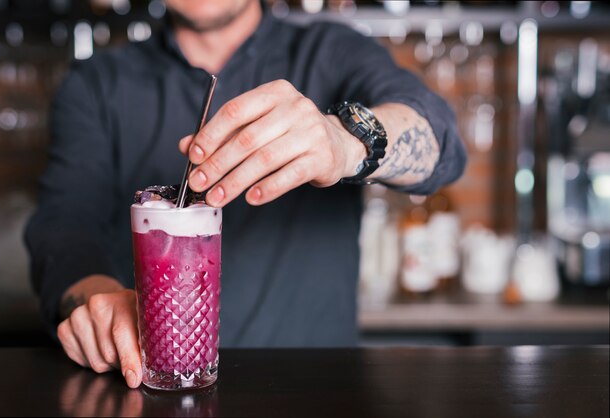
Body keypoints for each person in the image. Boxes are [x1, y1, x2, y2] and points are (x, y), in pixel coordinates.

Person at [25, 0, 466, 388]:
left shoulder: (333, 51)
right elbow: (64, 228)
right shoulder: (98, 83)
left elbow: (440, 140)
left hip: (317, 395)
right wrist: (98, 302)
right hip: (153, 391)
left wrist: (346, 140)